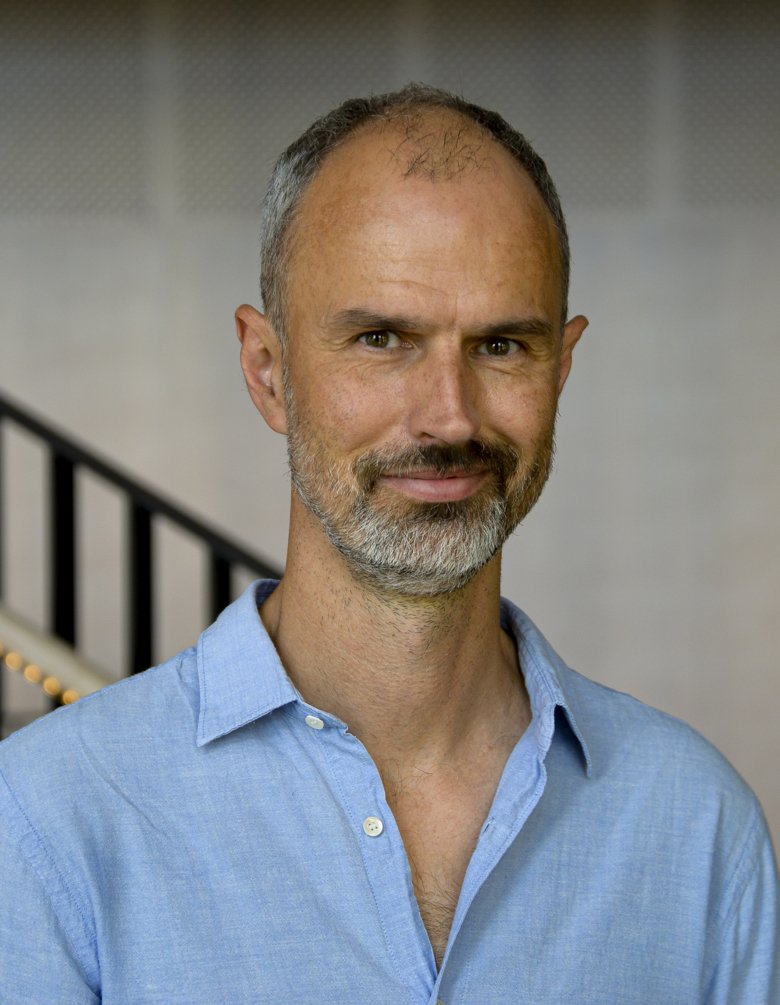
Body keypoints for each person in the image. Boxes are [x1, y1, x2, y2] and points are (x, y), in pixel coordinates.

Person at [0, 84, 777, 1004]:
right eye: (382, 339)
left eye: (502, 346)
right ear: (269, 371)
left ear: (562, 366)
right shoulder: (47, 819)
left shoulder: (694, 822)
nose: (449, 416)